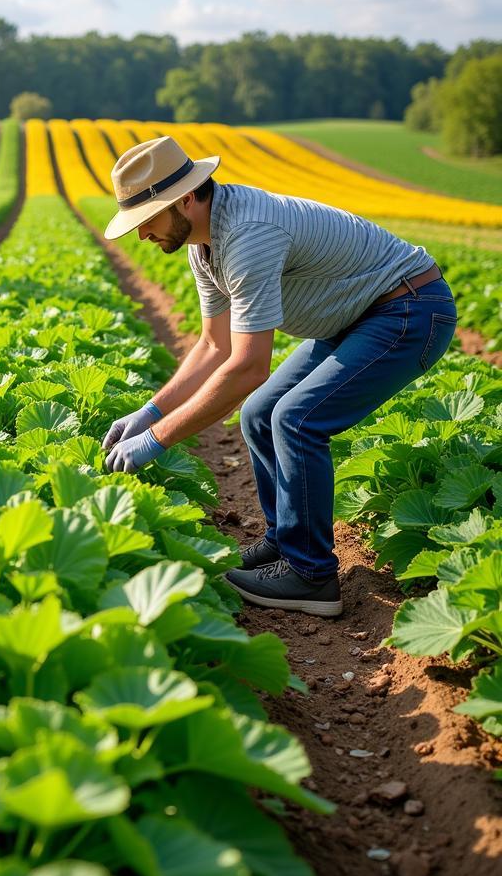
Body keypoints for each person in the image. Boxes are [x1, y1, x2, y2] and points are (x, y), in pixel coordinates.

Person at [100, 136, 457, 617]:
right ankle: (285, 542)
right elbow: (213, 346)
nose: (142, 235)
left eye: (146, 220)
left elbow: (248, 366)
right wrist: (149, 413)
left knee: (295, 418)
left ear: (185, 198)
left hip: (408, 309)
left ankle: (312, 578)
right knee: (259, 413)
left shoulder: (248, 233)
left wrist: (157, 440)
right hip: (356, 317)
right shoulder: (203, 245)